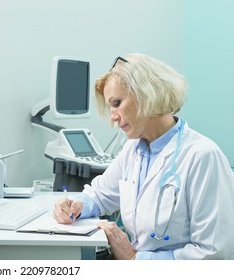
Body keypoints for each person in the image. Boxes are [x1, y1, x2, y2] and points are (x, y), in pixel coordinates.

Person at [53, 53, 234, 260]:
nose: (112, 116)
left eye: (117, 103)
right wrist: (76, 205)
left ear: (146, 94)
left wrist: (135, 260)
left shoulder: (202, 156)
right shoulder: (134, 149)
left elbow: (214, 254)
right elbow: (101, 195)